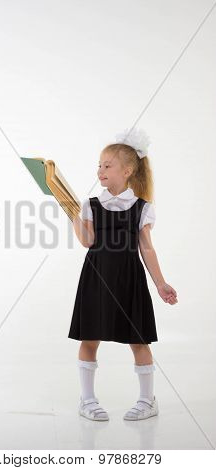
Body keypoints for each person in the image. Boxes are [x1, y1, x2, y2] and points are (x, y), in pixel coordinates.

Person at [68, 128, 178, 422]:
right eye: (99, 165)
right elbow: (87, 241)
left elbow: (147, 249)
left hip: (130, 279)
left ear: (127, 170)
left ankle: (147, 400)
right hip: (96, 279)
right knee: (89, 338)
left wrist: (160, 283)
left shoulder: (142, 208)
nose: (100, 170)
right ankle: (87, 400)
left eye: (107, 165)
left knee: (139, 341)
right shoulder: (91, 205)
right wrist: (70, 211)